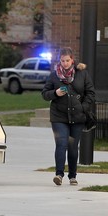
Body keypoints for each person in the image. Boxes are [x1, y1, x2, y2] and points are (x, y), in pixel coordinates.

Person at [42, 47, 95, 186]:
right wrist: (55, 93)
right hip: (59, 116)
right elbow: (44, 94)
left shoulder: (81, 74)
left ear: (72, 60)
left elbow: (90, 93)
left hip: (77, 117)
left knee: (72, 147)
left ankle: (73, 176)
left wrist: (83, 107)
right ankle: (59, 174)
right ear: (59, 60)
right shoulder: (54, 75)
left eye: (67, 60)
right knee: (61, 144)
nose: (65, 63)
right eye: (62, 60)